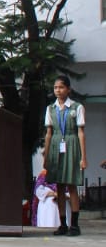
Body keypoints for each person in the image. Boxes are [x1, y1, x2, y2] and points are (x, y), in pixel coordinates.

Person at [43, 74, 87, 237]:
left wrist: (83, 157)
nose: (58, 90)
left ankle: (74, 225)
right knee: (59, 186)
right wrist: (46, 156)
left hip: (72, 143)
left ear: (68, 89)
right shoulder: (50, 109)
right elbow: (48, 134)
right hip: (56, 144)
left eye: (61, 87)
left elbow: (81, 133)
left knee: (71, 185)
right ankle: (62, 224)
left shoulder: (77, 107)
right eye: (55, 87)